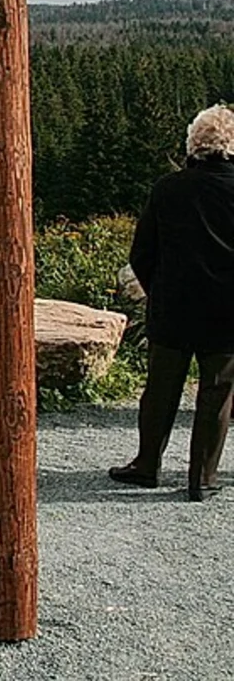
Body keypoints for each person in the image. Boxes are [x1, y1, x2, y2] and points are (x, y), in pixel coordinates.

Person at [109, 104, 234, 501]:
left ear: (193, 145)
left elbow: (141, 254)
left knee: (160, 389)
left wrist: (156, 290)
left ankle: (148, 465)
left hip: (173, 306)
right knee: (216, 392)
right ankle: (202, 479)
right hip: (227, 312)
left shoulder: (168, 188)